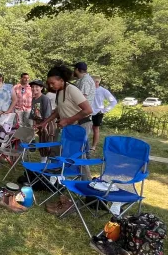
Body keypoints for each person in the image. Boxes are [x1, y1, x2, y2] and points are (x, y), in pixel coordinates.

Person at [37, 64, 93, 201]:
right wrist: (45, 122)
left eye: (53, 83)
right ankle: (54, 180)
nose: (50, 85)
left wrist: (68, 120)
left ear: (61, 80)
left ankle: (90, 191)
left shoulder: (72, 89)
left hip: (81, 125)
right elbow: (58, 111)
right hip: (69, 127)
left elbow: (88, 110)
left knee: (79, 157)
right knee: (56, 150)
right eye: (49, 83)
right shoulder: (59, 92)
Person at [29, 80, 54, 161]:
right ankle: (43, 161)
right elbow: (33, 114)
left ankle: (46, 163)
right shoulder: (33, 99)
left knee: (46, 143)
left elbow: (47, 114)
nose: (34, 88)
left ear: (41, 88)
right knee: (41, 142)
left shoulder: (44, 98)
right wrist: (34, 124)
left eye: (36, 87)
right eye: (32, 87)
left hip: (46, 124)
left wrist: (44, 126)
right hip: (39, 124)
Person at [91, 75, 117, 151]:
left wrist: (104, 110)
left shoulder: (103, 91)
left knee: (96, 129)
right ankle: (83, 144)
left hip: (98, 112)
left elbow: (113, 101)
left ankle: (93, 146)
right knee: (85, 128)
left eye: (92, 81)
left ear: (97, 82)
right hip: (88, 111)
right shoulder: (89, 90)